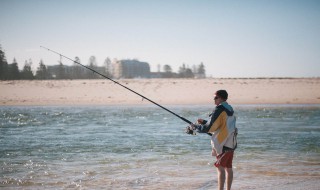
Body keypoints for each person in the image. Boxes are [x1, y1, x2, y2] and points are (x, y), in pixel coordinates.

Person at [188, 89, 237, 190]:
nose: (214, 100)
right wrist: (204, 122)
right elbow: (221, 123)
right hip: (231, 141)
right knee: (228, 167)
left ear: (221, 98)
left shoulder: (219, 109)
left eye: (215, 97)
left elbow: (210, 128)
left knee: (220, 168)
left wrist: (196, 127)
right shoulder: (229, 108)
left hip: (223, 142)